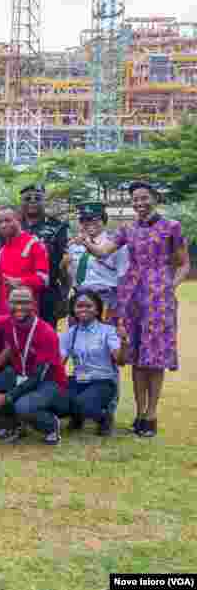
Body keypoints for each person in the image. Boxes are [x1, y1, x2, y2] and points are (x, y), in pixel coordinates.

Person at [80, 181, 189, 438]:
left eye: (144, 198)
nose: (139, 203)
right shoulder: (127, 229)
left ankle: (151, 414)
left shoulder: (171, 227)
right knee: (137, 355)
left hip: (159, 298)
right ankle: (139, 413)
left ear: (155, 198)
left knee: (156, 356)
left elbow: (184, 264)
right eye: (135, 200)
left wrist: (169, 286)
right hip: (131, 296)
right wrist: (86, 242)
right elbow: (103, 252)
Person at [0, 287, 67, 445]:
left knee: (23, 406)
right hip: (20, 375)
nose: (19, 307)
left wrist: (6, 397)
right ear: (8, 303)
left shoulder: (46, 333)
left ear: (34, 304)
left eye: (24, 302)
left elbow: (37, 377)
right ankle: (13, 424)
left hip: (48, 382)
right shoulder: (5, 322)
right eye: (15, 302)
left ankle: (51, 425)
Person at [52, 290, 129, 436]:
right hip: (78, 380)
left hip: (103, 382)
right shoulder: (70, 333)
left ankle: (104, 418)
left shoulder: (108, 331)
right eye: (79, 306)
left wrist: (124, 342)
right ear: (73, 310)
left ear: (97, 309)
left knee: (82, 403)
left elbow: (121, 361)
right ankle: (77, 414)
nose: (84, 309)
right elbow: (59, 362)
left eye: (89, 306)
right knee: (56, 401)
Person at [63, 202, 128, 323]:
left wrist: (119, 309)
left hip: (106, 300)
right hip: (79, 300)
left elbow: (123, 277)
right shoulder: (74, 246)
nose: (89, 223)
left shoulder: (115, 245)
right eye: (84, 220)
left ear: (104, 220)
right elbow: (71, 276)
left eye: (95, 219)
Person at [19, 185, 69, 326]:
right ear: (21, 203)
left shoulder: (58, 227)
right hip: (18, 292)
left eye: (38, 198)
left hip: (47, 293)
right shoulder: (13, 225)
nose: (32, 201)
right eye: (27, 198)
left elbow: (65, 265)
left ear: (44, 202)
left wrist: (64, 296)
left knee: (45, 336)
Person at [0, 206, 50, 305]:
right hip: (5, 311)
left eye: (8, 220)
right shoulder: (1, 251)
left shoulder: (34, 244)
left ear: (18, 218)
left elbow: (44, 280)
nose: (3, 225)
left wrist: (19, 281)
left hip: (27, 308)